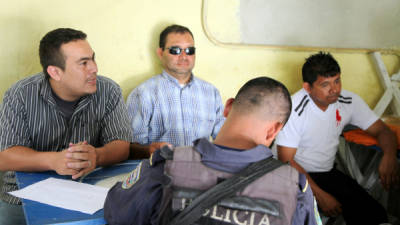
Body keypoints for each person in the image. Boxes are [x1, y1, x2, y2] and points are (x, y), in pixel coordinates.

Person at [104, 77, 321, 225]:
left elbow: (116, 211)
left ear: (227, 107)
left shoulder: (167, 165)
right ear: (274, 129)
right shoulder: (294, 186)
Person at [0, 28, 132, 225]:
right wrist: (53, 160)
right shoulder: (20, 94)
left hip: (88, 189)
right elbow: (5, 156)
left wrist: (97, 156)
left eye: (93, 59)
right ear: (55, 72)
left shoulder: (109, 91)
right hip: (22, 197)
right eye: (83, 63)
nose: (94, 68)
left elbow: (121, 145)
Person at [276, 52, 399, 225]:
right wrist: (319, 195)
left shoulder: (348, 101)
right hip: (290, 175)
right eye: (325, 84)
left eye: (337, 81)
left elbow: (383, 131)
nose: (334, 89)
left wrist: (389, 156)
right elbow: (286, 161)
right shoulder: (294, 108)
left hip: (325, 172)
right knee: (301, 217)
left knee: (375, 215)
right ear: (307, 87)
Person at [126, 24, 225, 158]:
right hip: (160, 172)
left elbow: (223, 139)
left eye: (189, 50)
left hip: (203, 170)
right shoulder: (143, 93)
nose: (184, 56)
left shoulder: (211, 93)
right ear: (160, 53)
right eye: (176, 50)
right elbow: (130, 147)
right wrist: (152, 150)